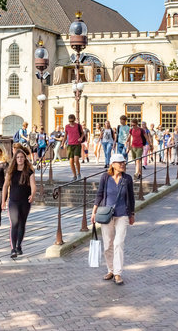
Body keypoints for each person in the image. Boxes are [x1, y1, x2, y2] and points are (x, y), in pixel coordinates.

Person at [91, 154, 135, 286]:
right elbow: (99, 194)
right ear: (112, 164)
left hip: (122, 214)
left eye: (123, 162)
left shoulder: (127, 179)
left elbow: (131, 197)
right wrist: (94, 212)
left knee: (118, 243)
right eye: (119, 162)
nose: (122, 164)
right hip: (106, 214)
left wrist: (132, 213)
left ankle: (118, 273)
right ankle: (110, 269)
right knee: (108, 244)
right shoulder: (105, 177)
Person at [1, 148, 36, 259]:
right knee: (14, 223)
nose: (20, 159)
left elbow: (33, 185)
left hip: (25, 201)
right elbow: (5, 186)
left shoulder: (29, 171)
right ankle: (13, 249)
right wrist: (3, 201)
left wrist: (33, 194)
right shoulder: (11, 171)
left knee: (22, 223)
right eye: (18, 157)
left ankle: (19, 245)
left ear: (25, 159)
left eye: (22, 157)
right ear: (15, 159)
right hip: (13, 201)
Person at [63, 114, 86, 180]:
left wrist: (81, 138)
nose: (71, 122)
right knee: (71, 161)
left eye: (72, 121)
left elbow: (82, 133)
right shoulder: (67, 126)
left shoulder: (78, 126)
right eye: (70, 121)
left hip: (77, 144)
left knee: (76, 160)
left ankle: (78, 173)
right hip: (70, 145)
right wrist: (63, 143)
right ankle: (74, 175)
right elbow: (65, 135)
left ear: (75, 119)